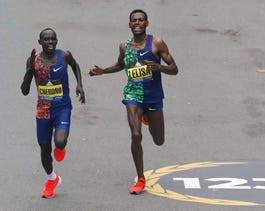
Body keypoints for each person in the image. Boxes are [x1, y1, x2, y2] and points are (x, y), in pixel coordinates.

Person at [89, 9, 178, 194]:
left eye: (141, 20)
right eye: (134, 20)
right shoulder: (125, 46)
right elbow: (121, 65)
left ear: (146, 23)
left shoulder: (157, 43)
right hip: (133, 95)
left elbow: (174, 68)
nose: (137, 23)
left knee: (159, 140)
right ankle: (141, 179)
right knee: (136, 134)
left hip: (153, 96)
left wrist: (159, 67)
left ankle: (146, 115)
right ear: (129, 24)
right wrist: (103, 71)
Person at [21, 28, 85, 198]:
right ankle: (51, 179)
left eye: (53, 39)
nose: (50, 42)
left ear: (56, 41)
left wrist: (80, 85)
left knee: (60, 141)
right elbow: (24, 91)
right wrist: (29, 71)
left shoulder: (64, 55)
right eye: (46, 40)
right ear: (40, 42)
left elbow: (75, 65)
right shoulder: (34, 61)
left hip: (62, 107)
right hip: (43, 111)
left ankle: (60, 146)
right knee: (44, 151)